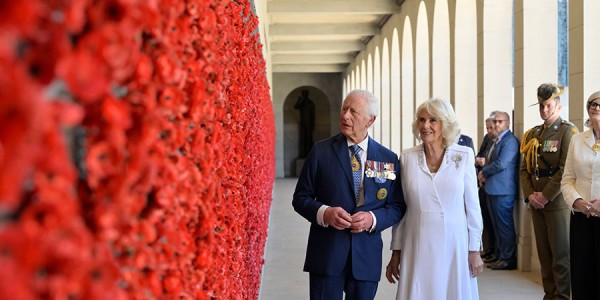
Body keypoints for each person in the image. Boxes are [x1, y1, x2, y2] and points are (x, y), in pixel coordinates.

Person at [293, 89, 405, 300]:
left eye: (354, 112)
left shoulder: (387, 158)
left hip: (366, 258)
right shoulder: (320, 152)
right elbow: (300, 199)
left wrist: (372, 218)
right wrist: (324, 213)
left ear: (370, 120)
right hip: (326, 255)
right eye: (344, 109)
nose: (345, 116)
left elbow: (397, 206)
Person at [385, 98, 483, 299]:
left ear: (445, 124)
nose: (426, 126)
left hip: (455, 243)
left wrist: (474, 250)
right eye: (421, 120)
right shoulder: (407, 157)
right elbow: (402, 209)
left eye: (433, 120)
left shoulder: (463, 155)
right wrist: (396, 251)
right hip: (417, 242)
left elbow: (473, 208)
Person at [520, 83, 577, 299]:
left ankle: (561, 296)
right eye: (542, 106)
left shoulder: (567, 132)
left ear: (558, 107)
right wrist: (530, 195)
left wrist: (545, 196)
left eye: (548, 105)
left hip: (556, 203)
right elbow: (525, 168)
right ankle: (549, 294)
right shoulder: (532, 134)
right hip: (536, 202)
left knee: (560, 256)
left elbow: (565, 169)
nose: (544, 110)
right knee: (544, 255)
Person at [561, 90, 600, 299]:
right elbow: (567, 179)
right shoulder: (577, 140)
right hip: (582, 217)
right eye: (593, 104)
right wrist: (577, 201)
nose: (597, 108)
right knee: (582, 277)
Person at [477, 111, 519, 270]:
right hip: (493, 189)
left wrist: (484, 171)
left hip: (503, 191)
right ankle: (499, 255)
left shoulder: (510, 141)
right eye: (494, 122)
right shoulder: (497, 140)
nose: (495, 125)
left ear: (508, 123)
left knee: (504, 225)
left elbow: (501, 164)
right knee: (496, 226)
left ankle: (507, 258)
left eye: (499, 122)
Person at [475, 116, 498, 261]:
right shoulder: (488, 139)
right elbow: (480, 154)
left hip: (494, 185)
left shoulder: (503, 141)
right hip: (484, 183)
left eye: (492, 127)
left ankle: (499, 253)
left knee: (498, 224)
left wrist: (485, 169)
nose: (490, 130)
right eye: (488, 127)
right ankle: (489, 249)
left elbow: (499, 163)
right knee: (486, 220)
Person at [295, 89, 316, 158]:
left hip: (309, 123)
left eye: (304, 94)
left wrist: (313, 124)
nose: (303, 95)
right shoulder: (302, 103)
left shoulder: (310, 103)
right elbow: (295, 107)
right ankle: (303, 153)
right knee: (303, 139)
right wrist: (299, 100)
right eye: (302, 94)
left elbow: (313, 114)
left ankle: (309, 153)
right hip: (302, 123)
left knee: (309, 139)